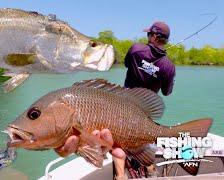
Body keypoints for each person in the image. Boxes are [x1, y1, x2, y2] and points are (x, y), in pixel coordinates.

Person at [56, 21, 176, 179]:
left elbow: (127, 64)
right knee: (141, 135)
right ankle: (151, 168)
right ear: (165, 40)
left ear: (154, 36)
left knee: (117, 138)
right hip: (145, 107)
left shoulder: (136, 50)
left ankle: (120, 175)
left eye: (149, 34)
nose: (147, 37)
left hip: (122, 103)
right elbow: (167, 92)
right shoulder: (169, 66)